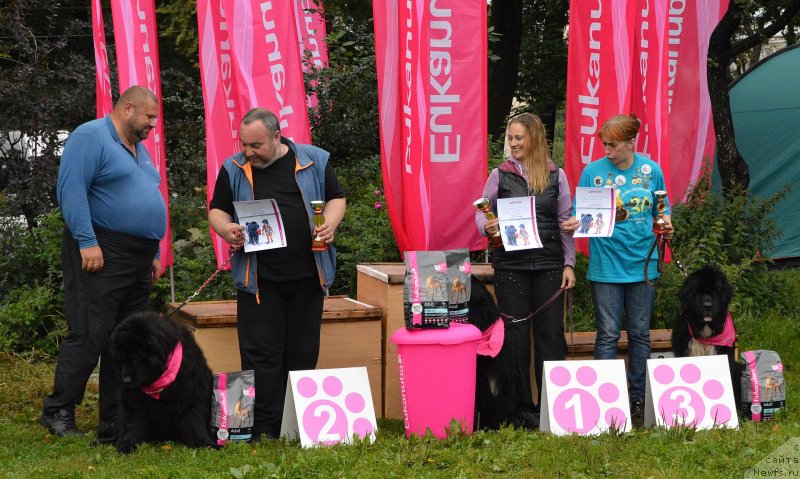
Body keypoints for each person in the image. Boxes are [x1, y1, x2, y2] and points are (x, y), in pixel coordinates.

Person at [208, 108, 346, 440]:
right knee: (260, 355)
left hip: (307, 279)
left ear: (277, 137)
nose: (248, 152)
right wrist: (227, 230)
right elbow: (217, 209)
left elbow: (337, 198)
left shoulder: (315, 160)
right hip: (258, 281)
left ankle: (296, 424)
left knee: (302, 351)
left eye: (256, 145)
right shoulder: (233, 168)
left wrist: (330, 223)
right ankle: (263, 428)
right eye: (244, 144)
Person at [40, 86, 166, 442]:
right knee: (90, 332)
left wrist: (155, 252)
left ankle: (115, 418)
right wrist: (87, 241)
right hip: (102, 248)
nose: (152, 125)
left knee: (125, 337)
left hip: (138, 256)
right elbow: (72, 190)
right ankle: (57, 411)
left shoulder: (138, 152)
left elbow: (148, 201)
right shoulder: (90, 137)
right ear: (128, 108)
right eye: (149, 117)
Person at [561, 114, 673, 420]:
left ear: (630, 143)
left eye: (613, 145)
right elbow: (578, 212)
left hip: (643, 265)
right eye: (604, 144)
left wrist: (666, 224)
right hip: (606, 266)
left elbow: (662, 208)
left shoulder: (651, 171)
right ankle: (605, 400)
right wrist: (573, 222)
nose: (607, 150)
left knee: (639, 334)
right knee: (607, 334)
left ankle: (638, 400)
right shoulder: (593, 172)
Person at [475, 113, 576, 427]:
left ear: (534, 138)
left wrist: (569, 263)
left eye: (519, 137)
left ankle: (552, 405)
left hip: (549, 265)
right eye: (511, 138)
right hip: (511, 267)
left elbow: (565, 224)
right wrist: (487, 225)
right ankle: (520, 409)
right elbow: (481, 213)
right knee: (515, 338)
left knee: (550, 337)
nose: (514, 143)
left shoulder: (556, 175)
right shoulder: (499, 174)